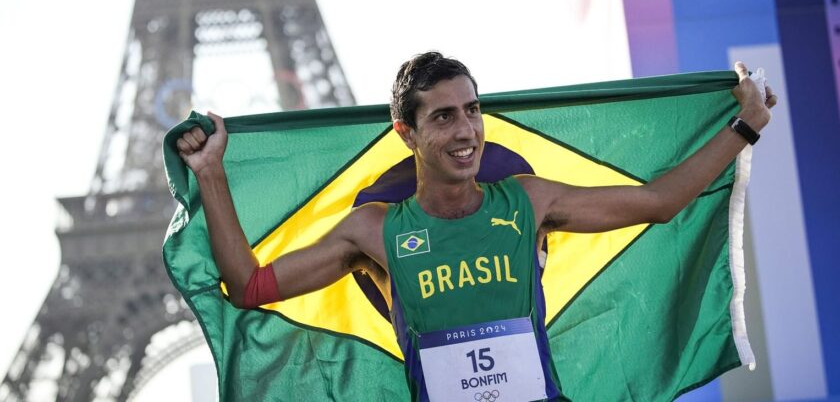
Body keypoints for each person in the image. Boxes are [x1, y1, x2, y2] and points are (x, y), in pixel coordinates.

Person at [176, 52, 776, 401]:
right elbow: (249, 286)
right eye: (443, 117)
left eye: (472, 110)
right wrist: (210, 174)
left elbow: (659, 201)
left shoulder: (527, 201)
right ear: (406, 133)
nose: (466, 131)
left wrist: (745, 125)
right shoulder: (373, 231)